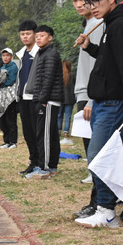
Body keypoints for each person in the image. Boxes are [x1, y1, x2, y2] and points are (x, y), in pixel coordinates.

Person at [74, 0, 123, 228]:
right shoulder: (111, 23)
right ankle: (104, 208)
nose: (91, 7)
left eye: (96, 2)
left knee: (99, 156)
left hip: (115, 103)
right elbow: (109, 62)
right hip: (104, 101)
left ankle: (106, 211)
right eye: (88, 3)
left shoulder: (121, 25)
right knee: (101, 156)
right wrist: (90, 48)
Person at [69, 0, 100, 218]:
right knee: (92, 153)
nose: (79, 5)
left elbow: (100, 67)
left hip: (93, 97)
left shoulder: (99, 24)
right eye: (75, 0)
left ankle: (100, 204)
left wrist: (91, 99)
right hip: (84, 94)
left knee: (97, 154)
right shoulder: (88, 24)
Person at [24, 25, 63, 180]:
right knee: (50, 134)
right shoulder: (42, 53)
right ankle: (51, 166)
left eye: (42, 36)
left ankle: (44, 168)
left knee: (44, 135)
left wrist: (43, 100)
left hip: (48, 100)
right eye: (37, 36)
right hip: (45, 99)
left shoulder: (51, 54)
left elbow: (48, 79)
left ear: (50, 38)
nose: (38, 38)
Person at [16, 20, 40, 176]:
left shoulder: (39, 52)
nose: (25, 37)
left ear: (35, 34)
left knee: (37, 131)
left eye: (28, 34)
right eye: (22, 34)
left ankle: (42, 163)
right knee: (27, 132)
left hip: (36, 98)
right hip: (23, 98)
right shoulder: (22, 53)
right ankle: (33, 161)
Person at [0, 48, 18, 149]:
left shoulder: (13, 67)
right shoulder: (2, 67)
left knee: (11, 120)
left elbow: (10, 81)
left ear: (11, 56)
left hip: (10, 98)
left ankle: (13, 141)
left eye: (7, 55)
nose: (5, 57)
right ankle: (6, 141)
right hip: (1, 98)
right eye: (4, 55)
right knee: (2, 119)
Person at [58, 60, 75, 145]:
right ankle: (66, 132)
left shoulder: (59, 75)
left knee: (59, 116)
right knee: (68, 116)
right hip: (70, 99)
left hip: (60, 99)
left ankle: (58, 131)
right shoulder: (72, 75)